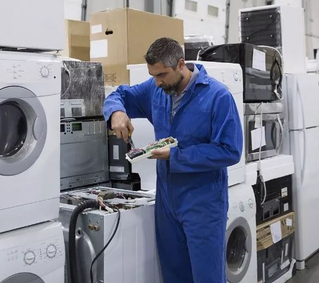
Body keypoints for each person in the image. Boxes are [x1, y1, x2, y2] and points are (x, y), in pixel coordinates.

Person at [103, 37, 243, 283]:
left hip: (203, 202)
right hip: (167, 199)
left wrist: (176, 155)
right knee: (174, 275)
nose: (157, 82)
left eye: (162, 75)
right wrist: (116, 111)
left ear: (181, 64)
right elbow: (120, 94)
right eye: (153, 75)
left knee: (207, 277)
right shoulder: (156, 89)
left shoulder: (217, 96)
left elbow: (230, 150)